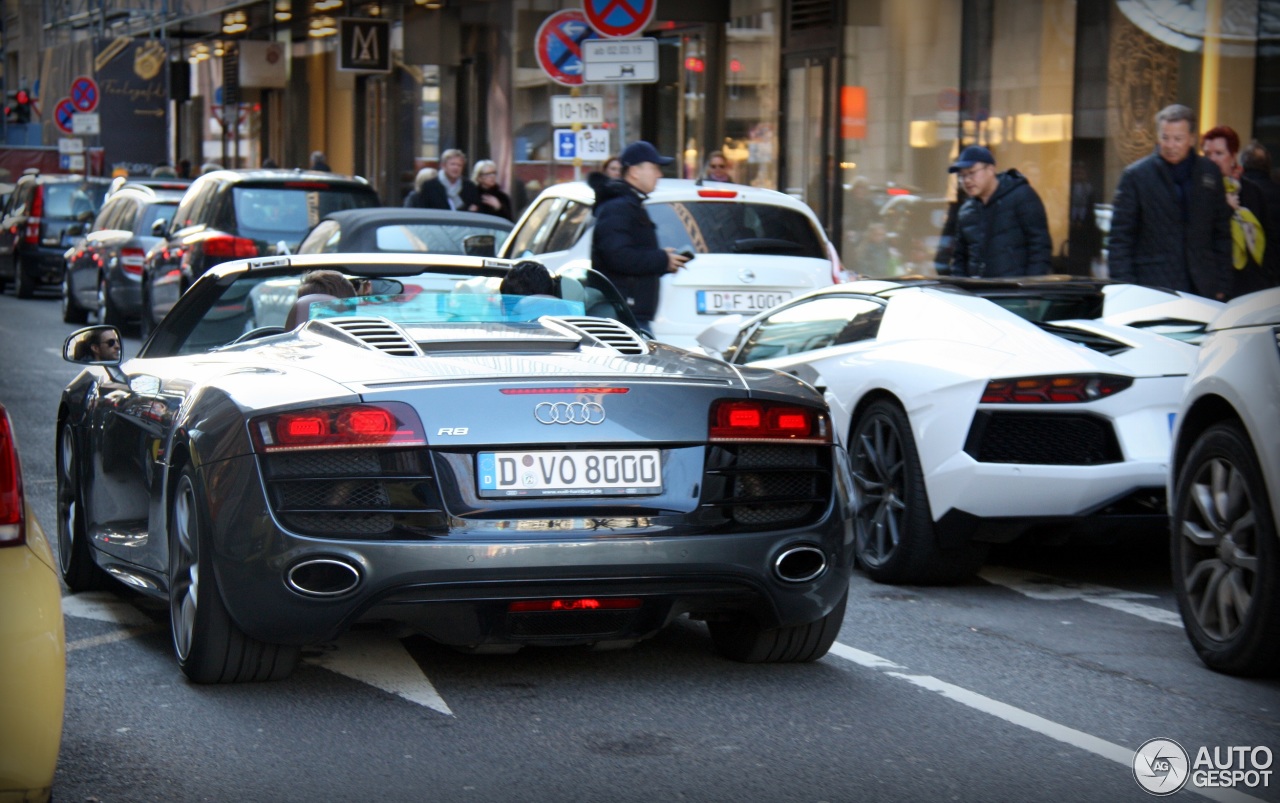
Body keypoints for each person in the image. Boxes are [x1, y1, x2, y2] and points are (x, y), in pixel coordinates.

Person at [1108, 104, 1232, 299]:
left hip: (1203, 284)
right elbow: (1120, 239)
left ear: (1191, 139)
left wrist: (1223, 283)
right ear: (1158, 137)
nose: (1171, 145)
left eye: (1178, 139)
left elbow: (1222, 233)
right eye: (1165, 138)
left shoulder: (1209, 173)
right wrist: (1125, 287)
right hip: (1151, 284)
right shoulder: (1136, 176)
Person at [588, 140, 690, 333]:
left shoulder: (629, 204)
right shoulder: (619, 207)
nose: (659, 175)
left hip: (629, 312)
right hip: (624, 315)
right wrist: (660, 259)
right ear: (635, 171)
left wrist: (663, 259)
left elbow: (626, 252)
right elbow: (617, 256)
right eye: (654, 168)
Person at [947, 145, 1052, 277]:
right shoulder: (966, 210)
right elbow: (959, 257)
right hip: (978, 292)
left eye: (972, 173)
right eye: (962, 176)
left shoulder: (1021, 196)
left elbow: (1039, 246)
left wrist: (1031, 289)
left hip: (1016, 291)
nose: (967, 180)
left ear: (990, 169)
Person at [1202, 126, 1272, 299]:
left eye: (1219, 153)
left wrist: (1266, 277)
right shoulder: (1200, 191)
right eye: (1208, 154)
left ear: (1233, 156)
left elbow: (1270, 238)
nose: (1213, 160)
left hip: (1251, 286)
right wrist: (1225, 209)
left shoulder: (1252, 191)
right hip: (1214, 286)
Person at [1240, 140, 1280, 292]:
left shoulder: (1240, 193)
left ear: (1243, 164)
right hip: (1273, 272)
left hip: (1249, 272)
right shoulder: (1277, 191)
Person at [406, 149, 480, 212]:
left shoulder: (469, 186)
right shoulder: (430, 186)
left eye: (459, 165)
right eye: (452, 164)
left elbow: (475, 208)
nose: (456, 168)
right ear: (443, 166)